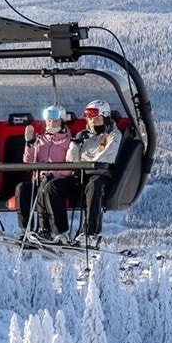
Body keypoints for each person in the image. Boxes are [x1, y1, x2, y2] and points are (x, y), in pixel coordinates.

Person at [62, 99, 122, 242]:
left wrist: (85, 160)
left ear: (106, 118)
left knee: (94, 185)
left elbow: (105, 157)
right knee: (53, 187)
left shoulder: (113, 135)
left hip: (99, 176)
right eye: (89, 119)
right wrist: (75, 145)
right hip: (80, 176)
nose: (92, 122)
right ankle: (58, 231)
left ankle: (90, 233)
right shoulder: (82, 135)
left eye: (97, 118)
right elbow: (71, 161)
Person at [16, 105, 73, 240]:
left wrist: (53, 174)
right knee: (22, 188)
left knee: (47, 187)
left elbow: (71, 167)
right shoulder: (39, 140)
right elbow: (28, 163)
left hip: (60, 181)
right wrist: (29, 144)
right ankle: (26, 229)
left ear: (62, 121)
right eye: (48, 120)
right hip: (41, 180)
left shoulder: (68, 141)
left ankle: (53, 230)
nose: (51, 123)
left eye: (55, 120)